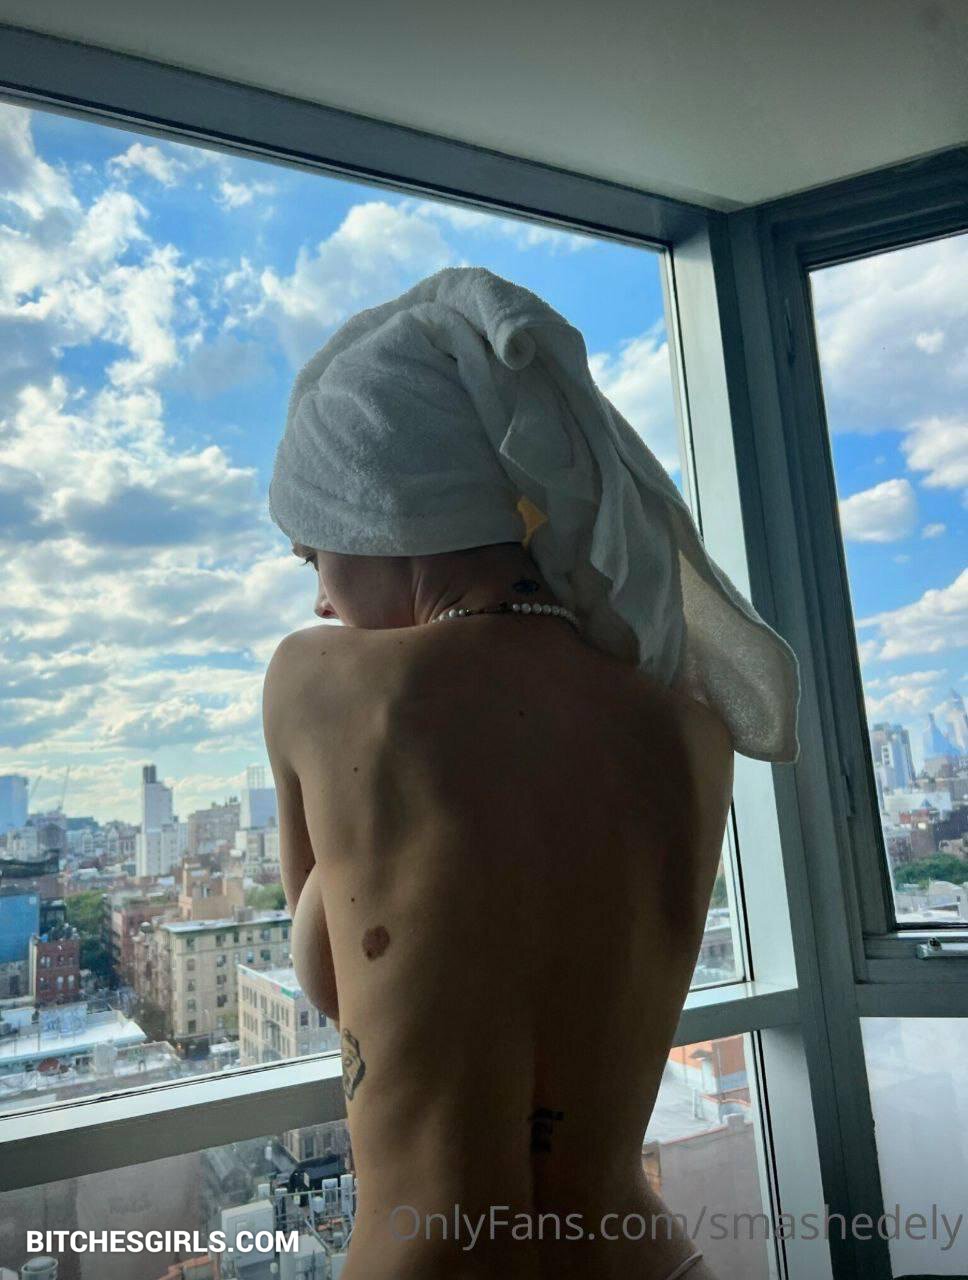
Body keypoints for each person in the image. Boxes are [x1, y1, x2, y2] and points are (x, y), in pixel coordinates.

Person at [263, 267, 800, 1280]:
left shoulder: (318, 682)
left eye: (312, 554)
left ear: (381, 516)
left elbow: (341, 977)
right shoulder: (690, 722)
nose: (322, 600)